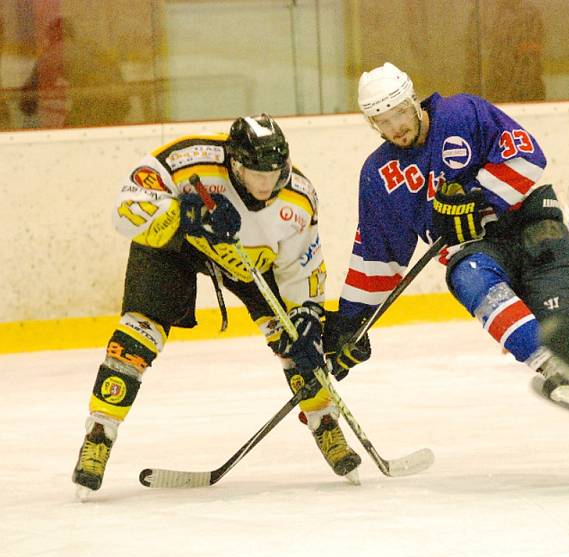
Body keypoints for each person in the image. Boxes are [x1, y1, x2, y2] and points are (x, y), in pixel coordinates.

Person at [323, 62, 569, 481]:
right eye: (382, 121)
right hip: (475, 250)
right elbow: (378, 256)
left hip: (533, 225)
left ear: (412, 100)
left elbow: (528, 157)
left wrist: (476, 198)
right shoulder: (380, 176)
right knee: (467, 276)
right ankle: (549, 365)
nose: (395, 127)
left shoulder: (462, 113)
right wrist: (349, 321)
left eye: (398, 112)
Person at [72, 114, 361, 497]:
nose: (266, 184)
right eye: (256, 174)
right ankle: (99, 432)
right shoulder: (190, 159)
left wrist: (307, 313)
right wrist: (182, 218)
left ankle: (325, 423)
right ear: (235, 163)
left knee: (295, 339)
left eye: (273, 173)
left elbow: (301, 267)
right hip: (175, 247)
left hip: (247, 260)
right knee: (138, 336)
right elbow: (125, 208)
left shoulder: (298, 198)